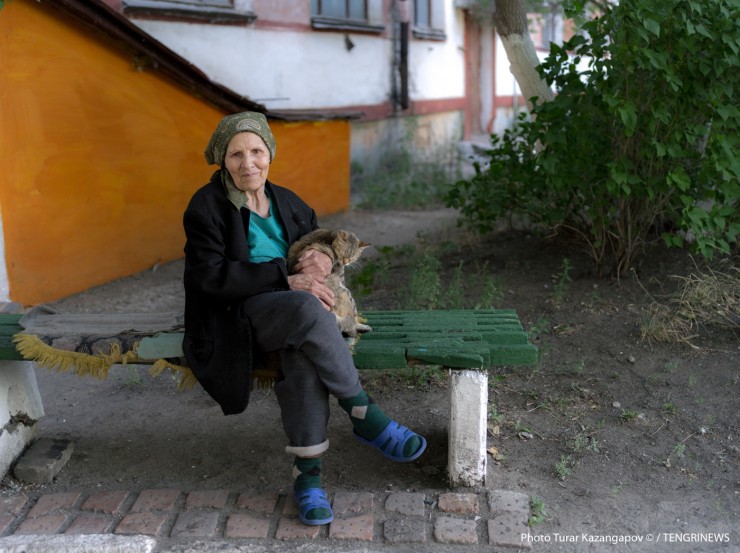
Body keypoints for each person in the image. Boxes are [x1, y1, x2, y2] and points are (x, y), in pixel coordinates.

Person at [182, 112, 427, 526]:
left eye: (256, 151)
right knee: (306, 311)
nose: (248, 163)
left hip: (298, 317)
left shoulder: (288, 202)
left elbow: (318, 242)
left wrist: (324, 255)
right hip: (236, 315)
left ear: (270, 154)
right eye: (236, 154)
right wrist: (286, 277)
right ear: (222, 160)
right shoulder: (206, 207)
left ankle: (307, 480)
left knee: (303, 344)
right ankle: (364, 414)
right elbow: (208, 278)